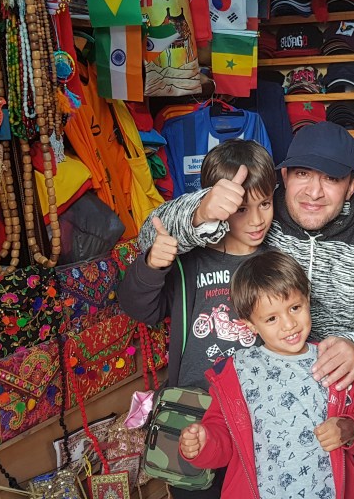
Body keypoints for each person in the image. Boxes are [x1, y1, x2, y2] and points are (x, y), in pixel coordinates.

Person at [139, 122, 354, 391]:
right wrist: (200, 211)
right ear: (285, 176)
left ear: (352, 185)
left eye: (331, 179)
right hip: (257, 384)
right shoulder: (256, 210)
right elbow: (148, 236)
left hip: (329, 387)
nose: (314, 192)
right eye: (302, 174)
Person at [120, 139, 276, 499]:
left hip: (259, 418)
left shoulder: (275, 260)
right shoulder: (189, 259)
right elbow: (138, 308)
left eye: (265, 204)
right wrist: (151, 266)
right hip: (194, 417)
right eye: (241, 209)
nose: (256, 220)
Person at [178, 250, 354, 499]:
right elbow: (222, 439)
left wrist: (349, 428)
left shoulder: (332, 361)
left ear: (308, 299)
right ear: (250, 325)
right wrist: (204, 442)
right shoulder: (236, 373)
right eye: (271, 318)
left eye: (295, 307)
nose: (289, 325)